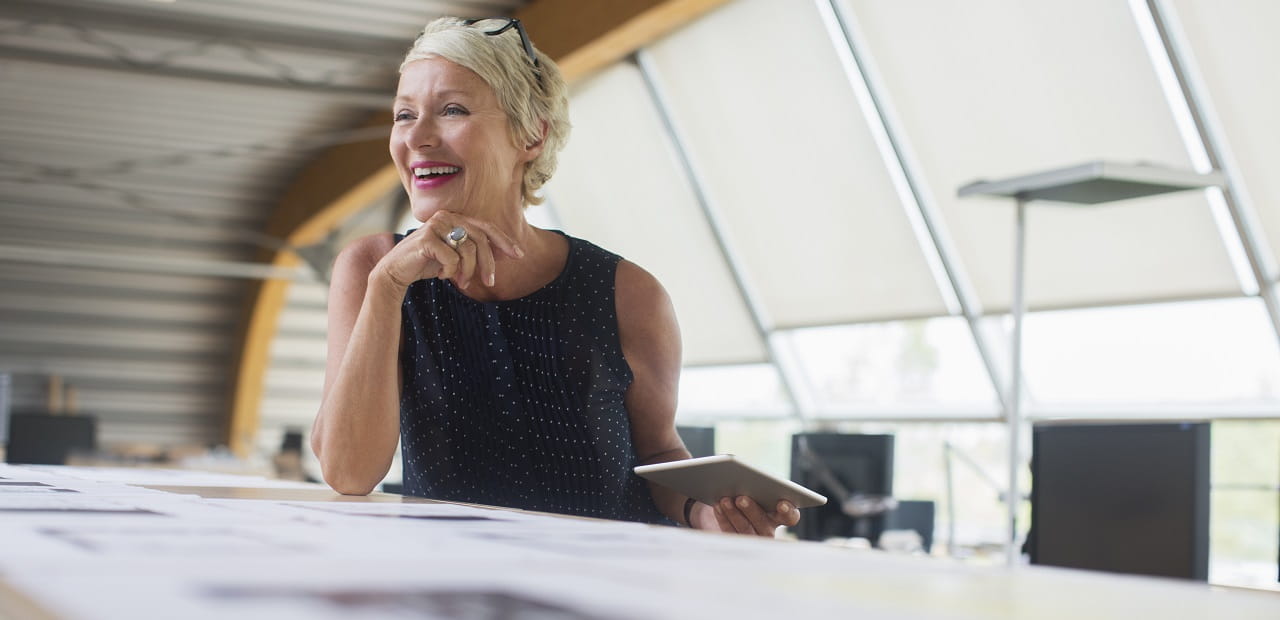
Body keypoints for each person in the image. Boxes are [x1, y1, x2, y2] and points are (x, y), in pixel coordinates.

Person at [310, 16, 798, 537]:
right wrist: (388, 289)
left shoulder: (629, 293)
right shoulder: (372, 270)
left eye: (452, 110)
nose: (419, 137)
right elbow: (349, 472)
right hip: (452, 585)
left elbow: (657, 451)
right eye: (404, 115)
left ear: (531, 135)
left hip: (605, 580)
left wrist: (707, 512)